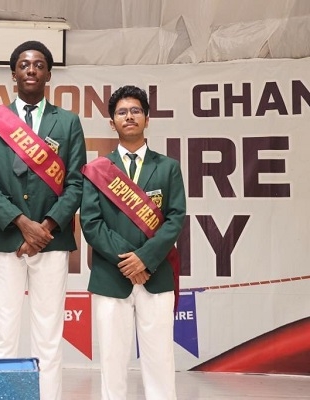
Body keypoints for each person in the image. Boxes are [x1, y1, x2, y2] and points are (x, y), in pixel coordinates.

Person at [0, 40, 86, 400]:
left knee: (48, 331)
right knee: (4, 328)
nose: (31, 70)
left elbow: (77, 182)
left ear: (49, 74)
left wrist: (47, 227)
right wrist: (23, 223)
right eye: (24, 65)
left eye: (39, 65)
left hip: (53, 240)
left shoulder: (67, 122)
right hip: (8, 237)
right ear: (14, 74)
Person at [80, 85, 186, 400]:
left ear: (147, 119)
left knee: (160, 360)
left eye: (136, 111)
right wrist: (129, 261)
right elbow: (91, 223)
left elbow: (175, 218)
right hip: (111, 277)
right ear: (112, 122)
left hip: (157, 274)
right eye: (122, 112)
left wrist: (145, 260)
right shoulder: (97, 170)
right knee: (112, 362)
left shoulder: (167, 167)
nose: (129, 117)